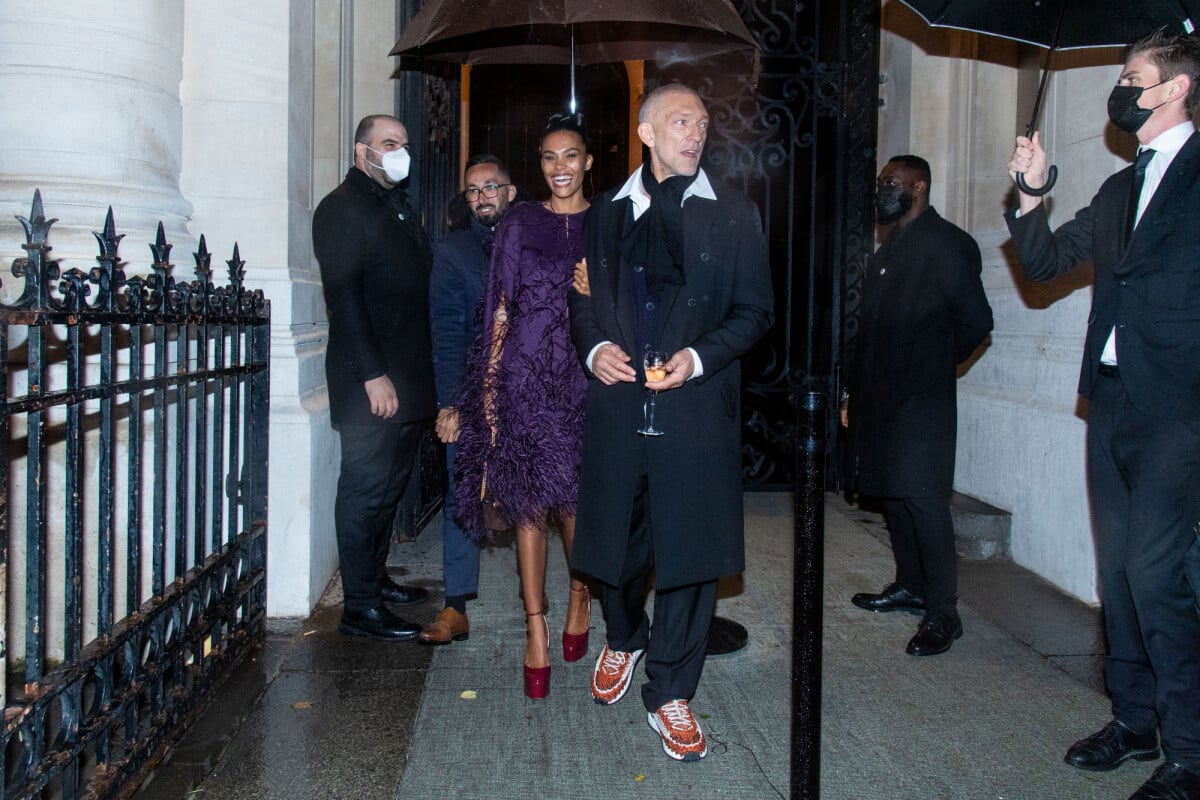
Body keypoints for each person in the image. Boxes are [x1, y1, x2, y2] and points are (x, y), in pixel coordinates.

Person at [1006, 30, 1200, 800]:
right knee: (1118, 574)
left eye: (1132, 77)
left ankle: (1189, 751)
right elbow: (1049, 261)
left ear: (1176, 88)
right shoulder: (1123, 188)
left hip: (1180, 408)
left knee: (1155, 574)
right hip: (1112, 399)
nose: (1120, 90)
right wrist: (1030, 192)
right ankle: (1134, 721)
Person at [568, 83, 773, 762]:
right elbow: (582, 305)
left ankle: (673, 690)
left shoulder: (735, 214)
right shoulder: (604, 214)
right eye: (682, 121)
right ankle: (624, 636)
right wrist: (595, 350)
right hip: (620, 406)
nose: (697, 132)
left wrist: (697, 356)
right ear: (647, 131)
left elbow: (755, 313)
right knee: (615, 548)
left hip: (694, 410)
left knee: (689, 555)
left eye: (704, 123)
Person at [453, 114, 595, 699]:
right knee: (529, 502)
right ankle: (534, 624)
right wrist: (488, 388)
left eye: (570, 156)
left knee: (578, 505)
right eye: (548, 158)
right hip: (524, 378)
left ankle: (581, 594)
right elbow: (500, 306)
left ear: (588, 161)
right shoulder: (519, 223)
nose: (559, 168)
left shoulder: (609, 222)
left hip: (586, 379)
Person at [842, 155, 993, 657]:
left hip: (921, 403)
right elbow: (868, 332)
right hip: (878, 400)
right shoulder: (888, 249)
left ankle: (943, 613)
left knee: (925, 502)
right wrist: (853, 395)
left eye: (892, 182)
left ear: (919, 186)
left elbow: (976, 321)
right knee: (894, 495)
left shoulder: (949, 245)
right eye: (881, 181)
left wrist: (932, 364)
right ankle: (909, 586)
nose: (882, 189)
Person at [312, 114, 434, 641]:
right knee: (364, 491)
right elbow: (344, 297)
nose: (400, 152)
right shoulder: (341, 208)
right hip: (373, 386)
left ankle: (375, 579)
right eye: (389, 144)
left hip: (407, 384)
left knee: (389, 491)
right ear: (363, 150)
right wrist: (373, 375)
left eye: (404, 144)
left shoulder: (394, 206)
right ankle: (359, 606)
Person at [420, 155, 518, 645]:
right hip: (472, 391)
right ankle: (455, 605)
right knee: (463, 489)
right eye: (473, 191)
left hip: (530, 392)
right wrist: (450, 405)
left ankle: (549, 604)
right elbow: (446, 334)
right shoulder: (454, 252)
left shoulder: (535, 244)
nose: (482, 196)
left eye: (491, 187)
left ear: (511, 192)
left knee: (544, 496)